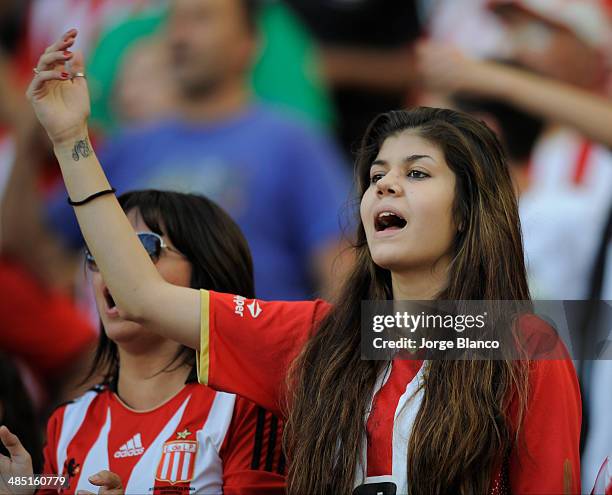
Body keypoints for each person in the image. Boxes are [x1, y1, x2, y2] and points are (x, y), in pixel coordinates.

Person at [24, 29, 581, 494]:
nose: (385, 186)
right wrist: (71, 138)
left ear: (466, 212)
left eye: (416, 173)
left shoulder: (521, 344)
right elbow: (140, 296)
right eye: (376, 175)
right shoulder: (316, 336)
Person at [38, 0, 351, 302]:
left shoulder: (292, 142)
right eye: (174, 19)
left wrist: (330, 354)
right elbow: (36, 253)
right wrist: (36, 138)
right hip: (145, 352)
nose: (180, 35)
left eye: (201, 18)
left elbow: (344, 273)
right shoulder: (129, 145)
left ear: (249, 43)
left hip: (258, 349)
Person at [0, 190, 286, 494]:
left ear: (208, 271)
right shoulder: (67, 422)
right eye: (99, 252)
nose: (115, 267)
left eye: (143, 248)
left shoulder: (246, 408)